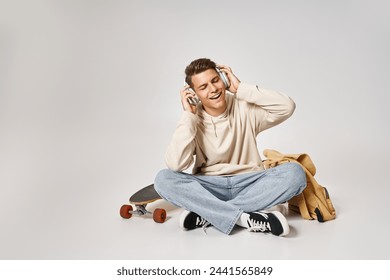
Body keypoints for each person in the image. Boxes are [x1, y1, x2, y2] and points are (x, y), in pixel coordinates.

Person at [154, 58, 306, 236]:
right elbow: (175, 165)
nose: (213, 89)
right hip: (210, 187)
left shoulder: (244, 107)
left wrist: (241, 89)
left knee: (295, 173)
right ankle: (245, 218)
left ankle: (209, 214)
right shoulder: (193, 120)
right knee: (163, 179)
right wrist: (188, 117)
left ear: (224, 80)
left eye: (215, 80)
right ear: (194, 94)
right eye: (203, 87)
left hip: (250, 183)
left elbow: (287, 107)